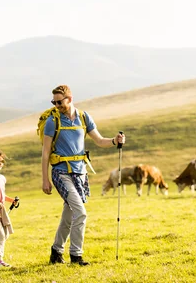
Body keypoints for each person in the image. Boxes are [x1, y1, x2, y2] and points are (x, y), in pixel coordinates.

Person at [41, 84, 125, 266]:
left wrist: (114, 141)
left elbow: (100, 140)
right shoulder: (52, 121)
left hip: (80, 172)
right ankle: (76, 256)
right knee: (80, 213)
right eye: (54, 102)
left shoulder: (83, 117)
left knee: (69, 214)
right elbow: (45, 152)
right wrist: (45, 179)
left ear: (69, 99)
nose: (56, 105)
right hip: (60, 172)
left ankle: (56, 252)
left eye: (59, 101)